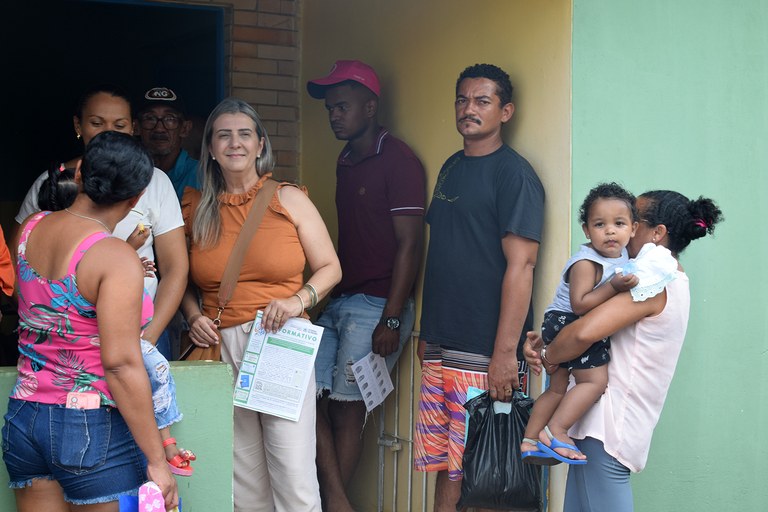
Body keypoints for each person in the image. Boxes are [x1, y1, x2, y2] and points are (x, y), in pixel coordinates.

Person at [2, 131, 178, 510]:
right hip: (87, 424)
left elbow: (27, 299)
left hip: (24, 416)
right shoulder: (114, 257)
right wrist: (158, 460)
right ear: (137, 197)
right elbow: (120, 363)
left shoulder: (31, 227)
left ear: (79, 172)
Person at [180, 97, 341, 511]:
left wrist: (296, 300)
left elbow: (329, 267)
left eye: (244, 134)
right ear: (212, 149)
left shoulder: (287, 198)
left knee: (291, 466)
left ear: (260, 144)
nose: (235, 143)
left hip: (279, 338)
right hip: (219, 344)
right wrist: (192, 314)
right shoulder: (196, 207)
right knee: (242, 471)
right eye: (224, 135)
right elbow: (178, 278)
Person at [524, 190, 723, 512]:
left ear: (657, 233)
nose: (620, 230)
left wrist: (550, 356)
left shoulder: (652, 278)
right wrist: (549, 344)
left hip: (608, 425)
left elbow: (584, 333)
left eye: (632, 219)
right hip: (599, 422)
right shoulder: (664, 277)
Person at [413, 63, 545, 512]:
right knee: (447, 467)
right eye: (462, 99)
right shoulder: (451, 166)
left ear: (505, 111)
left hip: (485, 349)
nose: (469, 109)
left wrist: (505, 353)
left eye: (482, 101)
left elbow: (522, 265)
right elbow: (445, 251)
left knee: (483, 472)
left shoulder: (515, 176)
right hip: (441, 342)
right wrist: (425, 331)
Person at [306, 59, 426, 512]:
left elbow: (410, 245)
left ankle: (330, 501)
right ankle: (333, 500)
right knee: (308, 394)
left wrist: (392, 316)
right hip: (339, 299)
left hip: (378, 304)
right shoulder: (345, 159)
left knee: (348, 406)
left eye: (342, 106)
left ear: (370, 106)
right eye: (330, 108)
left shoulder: (399, 159)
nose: (334, 115)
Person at [36, 163, 196, 477]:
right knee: (155, 373)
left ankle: (164, 443)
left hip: (37, 403)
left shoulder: (33, 237)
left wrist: (130, 256)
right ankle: (165, 445)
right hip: (100, 366)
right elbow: (118, 360)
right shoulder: (99, 252)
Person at [14, 84, 188, 361]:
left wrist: (149, 338)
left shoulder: (156, 182)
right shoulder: (52, 183)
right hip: (64, 340)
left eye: (119, 124)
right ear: (78, 125)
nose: (108, 133)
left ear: (132, 127)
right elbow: (20, 270)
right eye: (97, 123)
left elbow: (175, 268)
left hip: (142, 332)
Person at [521, 183, 639, 466]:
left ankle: (530, 439)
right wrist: (613, 287)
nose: (610, 231)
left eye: (619, 223)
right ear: (587, 231)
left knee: (557, 388)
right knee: (594, 381)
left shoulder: (622, 255)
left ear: (633, 229)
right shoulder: (586, 261)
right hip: (569, 321)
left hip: (558, 324)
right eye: (600, 224)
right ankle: (557, 430)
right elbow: (580, 304)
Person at [135, 86, 200, 201]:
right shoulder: (128, 173)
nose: (159, 128)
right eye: (150, 118)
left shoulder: (202, 176)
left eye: (170, 119)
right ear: (136, 127)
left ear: (184, 128)